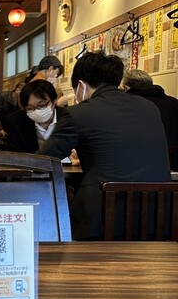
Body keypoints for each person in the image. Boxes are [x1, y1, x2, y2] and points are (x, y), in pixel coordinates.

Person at [38, 51, 171, 240]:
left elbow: (43, 159)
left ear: (81, 86)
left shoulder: (78, 113)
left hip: (102, 221)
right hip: (157, 218)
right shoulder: (149, 108)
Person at [121, 69, 178, 170]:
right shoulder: (174, 102)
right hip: (172, 164)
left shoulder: (125, 105)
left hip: (137, 166)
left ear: (126, 87)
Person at [4, 80, 68, 153]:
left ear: (54, 101)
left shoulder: (68, 117)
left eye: (42, 106)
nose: (37, 111)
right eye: (30, 108)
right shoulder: (15, 121)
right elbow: (13, 154)